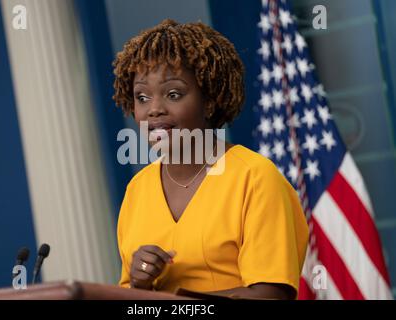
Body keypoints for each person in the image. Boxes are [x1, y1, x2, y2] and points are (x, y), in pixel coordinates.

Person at [112, 19, 309, 300]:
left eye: (173, 94)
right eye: (142, 97)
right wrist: (140, 286)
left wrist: (176, 302)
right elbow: (132, 300)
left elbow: (271, 295)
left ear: (210, 100)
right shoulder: (137, 190)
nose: (154, 109)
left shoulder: (254, 177)